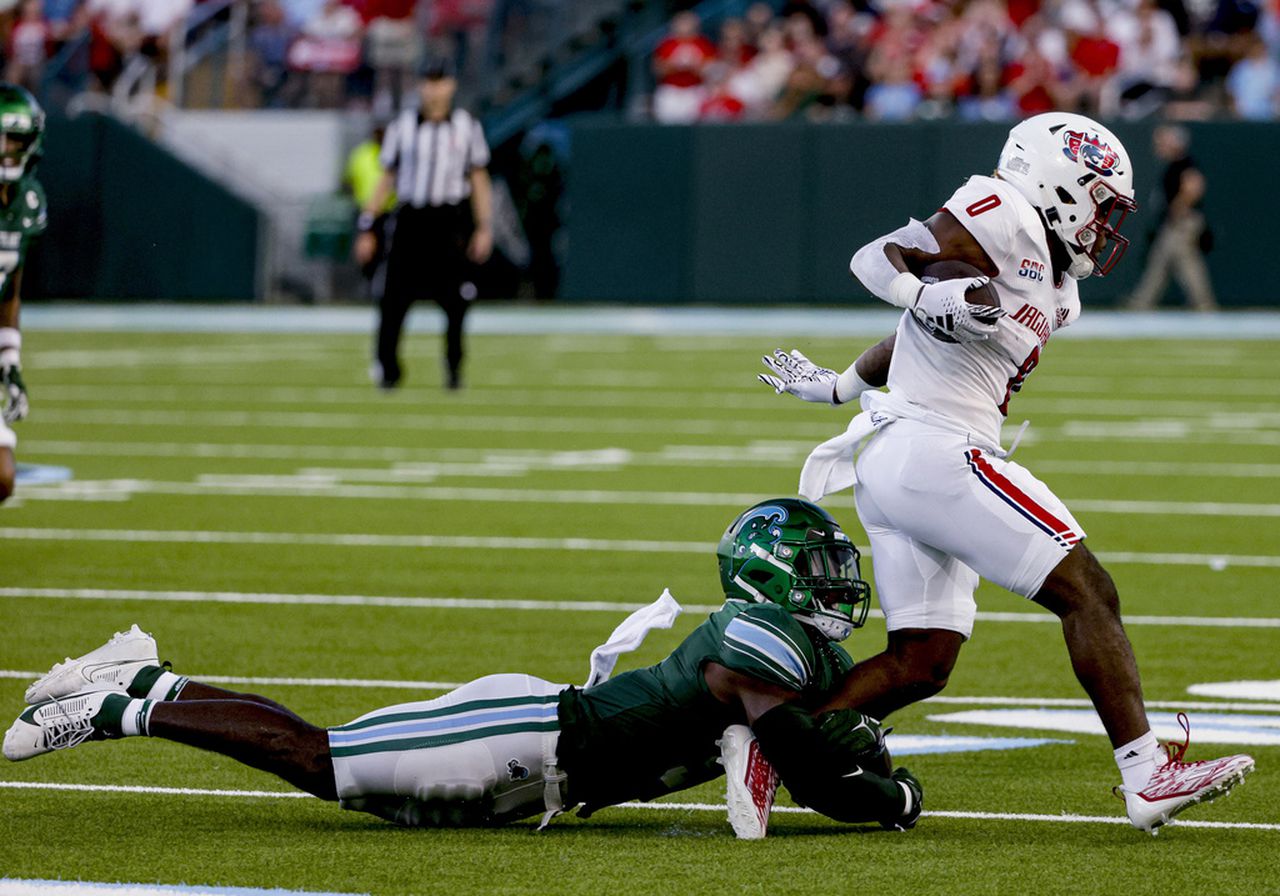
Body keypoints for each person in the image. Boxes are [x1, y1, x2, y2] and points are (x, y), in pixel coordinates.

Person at [758, 112, 1253, 834]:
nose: (1102, 223)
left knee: (922, 661)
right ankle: (1147, 775)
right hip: (936, 449)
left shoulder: (1055, 281)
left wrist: (839, 386)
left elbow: (911, 341)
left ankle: (766, 746)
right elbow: (877, 259)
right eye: (1100, 202)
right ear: (1056, 183)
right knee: (1088, 591)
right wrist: (924, 294)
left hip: (905, 459)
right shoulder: (1003, 213)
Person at [4, 499, 923, 838]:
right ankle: (129, 702)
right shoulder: (753, 642)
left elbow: (833, 742)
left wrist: (869, 754)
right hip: (526, 740)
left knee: (336, 767)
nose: (837, 582)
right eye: (818, 567)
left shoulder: (804, 654)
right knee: (325, 761)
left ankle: (147, 677)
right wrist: (895, 800)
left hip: (548, 774)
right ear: (768, 575)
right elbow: (816, 774)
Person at [355, 60, 492, 391]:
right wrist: (368, 225)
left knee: (456, 301)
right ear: (420, 86)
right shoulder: (402, 127)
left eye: (440, 81)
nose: (434, 89)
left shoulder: (466, 126)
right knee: (393, 298)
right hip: (411, 219)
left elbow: (478, 177)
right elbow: (387, 178)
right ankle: (388, 369)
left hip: (449, 219)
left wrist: (484, 227)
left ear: (452, 85)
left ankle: (454, 368)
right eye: (428, 82)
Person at [0, 84, 47, 504]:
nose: (7, 149)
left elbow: (10, 289)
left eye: (15, 139)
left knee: (2, 478)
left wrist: (10, 360)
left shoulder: (27, 200)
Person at [1125, 125, 1218, 312]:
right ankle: (1143, 301)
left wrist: (1179, 208)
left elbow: (1194, 187)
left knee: (1175, 262)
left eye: (1163, 142)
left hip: (1183, 221)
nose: (1159, 146)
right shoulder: (1175, 164)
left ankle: (1202, 304)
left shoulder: (1185, 163)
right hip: (1179, 220)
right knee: (1167, 261)